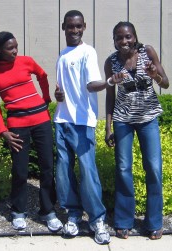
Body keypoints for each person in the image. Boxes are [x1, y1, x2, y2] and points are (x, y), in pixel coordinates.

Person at [0, 31, 63, 232]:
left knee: (47, 167)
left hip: (41, 121)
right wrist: (3, 130)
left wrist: (46, 98)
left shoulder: (26, 61)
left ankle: (48, 211)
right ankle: (18, 211)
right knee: (20, 170)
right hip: (17, 126)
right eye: (10, 48)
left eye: (16, 47)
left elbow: (42, 75)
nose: (15, 51)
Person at [104, 21, 169, 240]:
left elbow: (166, 83)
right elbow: (110, 96)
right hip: (123, 120)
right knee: (123, 168)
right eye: (119, 38)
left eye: (128, 36)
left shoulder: (147, 52)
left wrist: (154, 76)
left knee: (153, 167)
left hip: (148, 118)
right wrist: (108, 126)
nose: (124, 41)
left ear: (134, 36)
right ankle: (123, 221)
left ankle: (154, 222)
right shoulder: (111, 62)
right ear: (114, 40)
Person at [54, 10, 111, 245]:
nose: (74, 30)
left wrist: (108, 82)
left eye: (78, 26)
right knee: (63, 173)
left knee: (88, 172)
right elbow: (62, 90)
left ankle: (97, 219)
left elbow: (91, 84)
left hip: (82, 122)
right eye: (70, 26)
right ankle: (74, 214)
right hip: (62, 120)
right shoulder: (62, 54)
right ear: (63, 27)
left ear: (84, 26)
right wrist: (58, 96)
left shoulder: (88, 51)